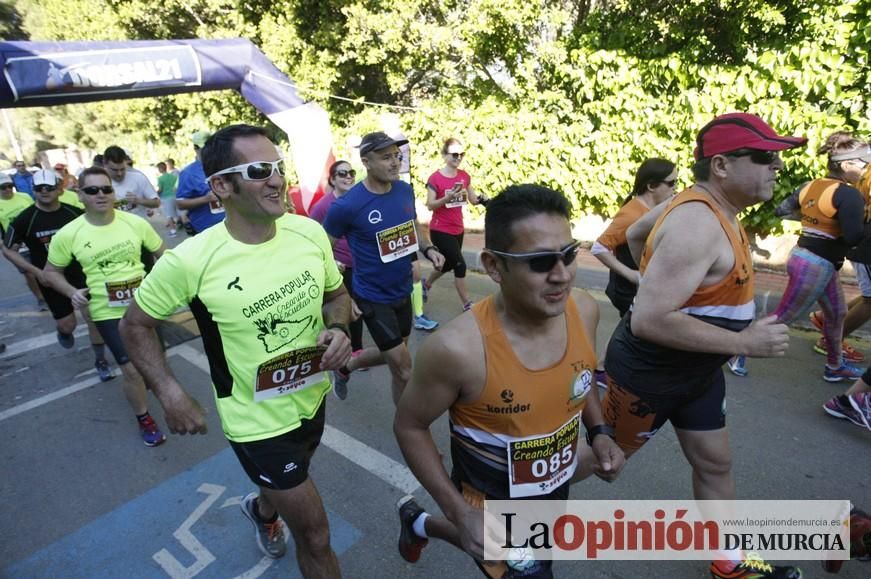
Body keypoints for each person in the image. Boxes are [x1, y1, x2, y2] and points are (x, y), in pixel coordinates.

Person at [119, 124, 352, 576]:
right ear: (221, 186)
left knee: (286, 483)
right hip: (256, 422)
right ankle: (271, 509)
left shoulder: (307, 233)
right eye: (260, 169)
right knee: (317, 535)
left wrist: (339, 329)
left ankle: (263, 511)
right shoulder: (189, 260)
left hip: (311, 397)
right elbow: (134, 325)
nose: (277, 180)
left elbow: (337, 297)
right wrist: (169, 393)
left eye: (279, 168)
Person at [607, 112, 805, 579]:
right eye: (764, 157)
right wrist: (744, 342)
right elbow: (650, 320)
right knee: (600, 460)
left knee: (715, 463)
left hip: (695, 373)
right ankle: (488, 512)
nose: (776, 167)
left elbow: (636, 236)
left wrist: (660, 282)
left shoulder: (708, 206)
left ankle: (727, 563)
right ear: (721, 165)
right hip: (650, 375)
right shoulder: (697, 223)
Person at [393, 184, 624, 577]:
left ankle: (418, 523)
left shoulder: (584, 309)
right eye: (539, 262)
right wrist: (460, 512)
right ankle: (436, 523)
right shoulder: (456, 350)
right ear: (494, 266)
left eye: (568, 255)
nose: (562, 274)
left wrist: (599, 430)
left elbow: (580, 376)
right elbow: (409, 425)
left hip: (555, 483)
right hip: (490, 500)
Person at [43, 167, 167, 446]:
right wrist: (72, 292)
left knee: (157, 360)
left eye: (106, 189)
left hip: (145, 305)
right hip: (107, 310)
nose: (101, 194)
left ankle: (158, 391)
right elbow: (50, 272)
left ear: (114, 193)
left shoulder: (134, 224)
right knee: (132, 369)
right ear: (80, 195)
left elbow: (165, 255)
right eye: (92, 190)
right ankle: (144, 418)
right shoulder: (69, 233)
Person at [728, 131, 868, 380]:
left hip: (807, 258)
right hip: (817, 265)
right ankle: (736, 351)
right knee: (783, 317)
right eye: (863, 163)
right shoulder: (850, 195)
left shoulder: (811, 185)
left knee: (837, 314)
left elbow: (784, 210)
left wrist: (816, 222)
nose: (867, 167)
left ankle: (834, 367)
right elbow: (854, 237)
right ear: (846, 164)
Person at [323, 131, 445, 403]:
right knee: (404, 369)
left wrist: (428, 248)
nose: (394, 163)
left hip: (402, 289)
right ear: (366, 161)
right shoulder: (347, 205)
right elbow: (323, 252)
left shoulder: (403, 189)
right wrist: (342, 295)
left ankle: (347, 366)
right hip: (372, 296)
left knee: (396, 354)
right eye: (386, 157)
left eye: (397, 156)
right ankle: (407, 429)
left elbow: (411, 224)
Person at [2, 169, 113, 381]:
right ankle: (63, 331)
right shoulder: (25, 219)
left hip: (81, 274)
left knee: (94, 318)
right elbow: (8, 249)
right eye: (39, 189)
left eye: (49, 188)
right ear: (33, 190)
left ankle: (101, 360)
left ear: (59, 189)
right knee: (67, 323)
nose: (44, 192)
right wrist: (35, 271)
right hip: (51, 278)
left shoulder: (74, 213)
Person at [591, 158, 677, 318]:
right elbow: (598, 248)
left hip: (642, 290)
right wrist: (631, 274)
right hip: (628, 292)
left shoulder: (653, 209)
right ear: (651, 186)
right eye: (671, 183)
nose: (676, 188)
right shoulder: (631, 214)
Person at [308, 160, 366, 361]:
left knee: (359, 306)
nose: (348, 176)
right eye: (342, 174)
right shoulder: (322, 206)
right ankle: (352, 349)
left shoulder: (358, 201)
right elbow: (311, 238)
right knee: (346, 306)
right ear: (332, 179)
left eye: (351, 172)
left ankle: (353, 347)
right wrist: (331, 262)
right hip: (340, 268)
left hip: (361, 264)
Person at [422, 138, 487, 313]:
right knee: (459, 264)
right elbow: (430, 205)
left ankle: (426, 285)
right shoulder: (435, 178)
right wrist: (446, 198)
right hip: (439, 229)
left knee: (449, 263)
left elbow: (472, 200)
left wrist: (484, 200)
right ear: (444, 155)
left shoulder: (464, 176)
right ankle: (467, 303)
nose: (458, 158)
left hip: (458, 228)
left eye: (461, 154)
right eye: (454, 154)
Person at [0, 171, 45, 308]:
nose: (8, 189)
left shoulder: (24, 197)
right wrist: (4, 245)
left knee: (45, 268)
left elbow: (37, 213)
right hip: (15, 245)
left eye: (10, 186)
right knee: (29, 273)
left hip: (35, 238)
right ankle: (40, 298)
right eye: (3, 187)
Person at [175, 130, 226, 234]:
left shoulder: (224, 165)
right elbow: (180, 204)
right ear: (195, 148)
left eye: (211, 146)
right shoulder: (188, 173)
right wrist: (206, 198)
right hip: (206, 230)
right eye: (204, 147)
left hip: (232, 225)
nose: (209, 150)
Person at [102, 145, 160, 218]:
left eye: (123, 169)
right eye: (115, 170)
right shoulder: (98, 183)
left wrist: (139, 200)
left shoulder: (138, 178)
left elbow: (157, 203)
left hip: (138, 227)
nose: (119, 173)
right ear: (104, 164)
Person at [155, 161, 179, 237]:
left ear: (161, 168)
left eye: (158, 168)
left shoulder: (160, 178)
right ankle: (178, 225)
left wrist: (156, 194)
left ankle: (173, 231)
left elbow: (160, 189)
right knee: (176, 213)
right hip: (174, 196)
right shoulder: (173, 176)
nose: (158, 170)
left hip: (166, 198)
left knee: (169, 215)